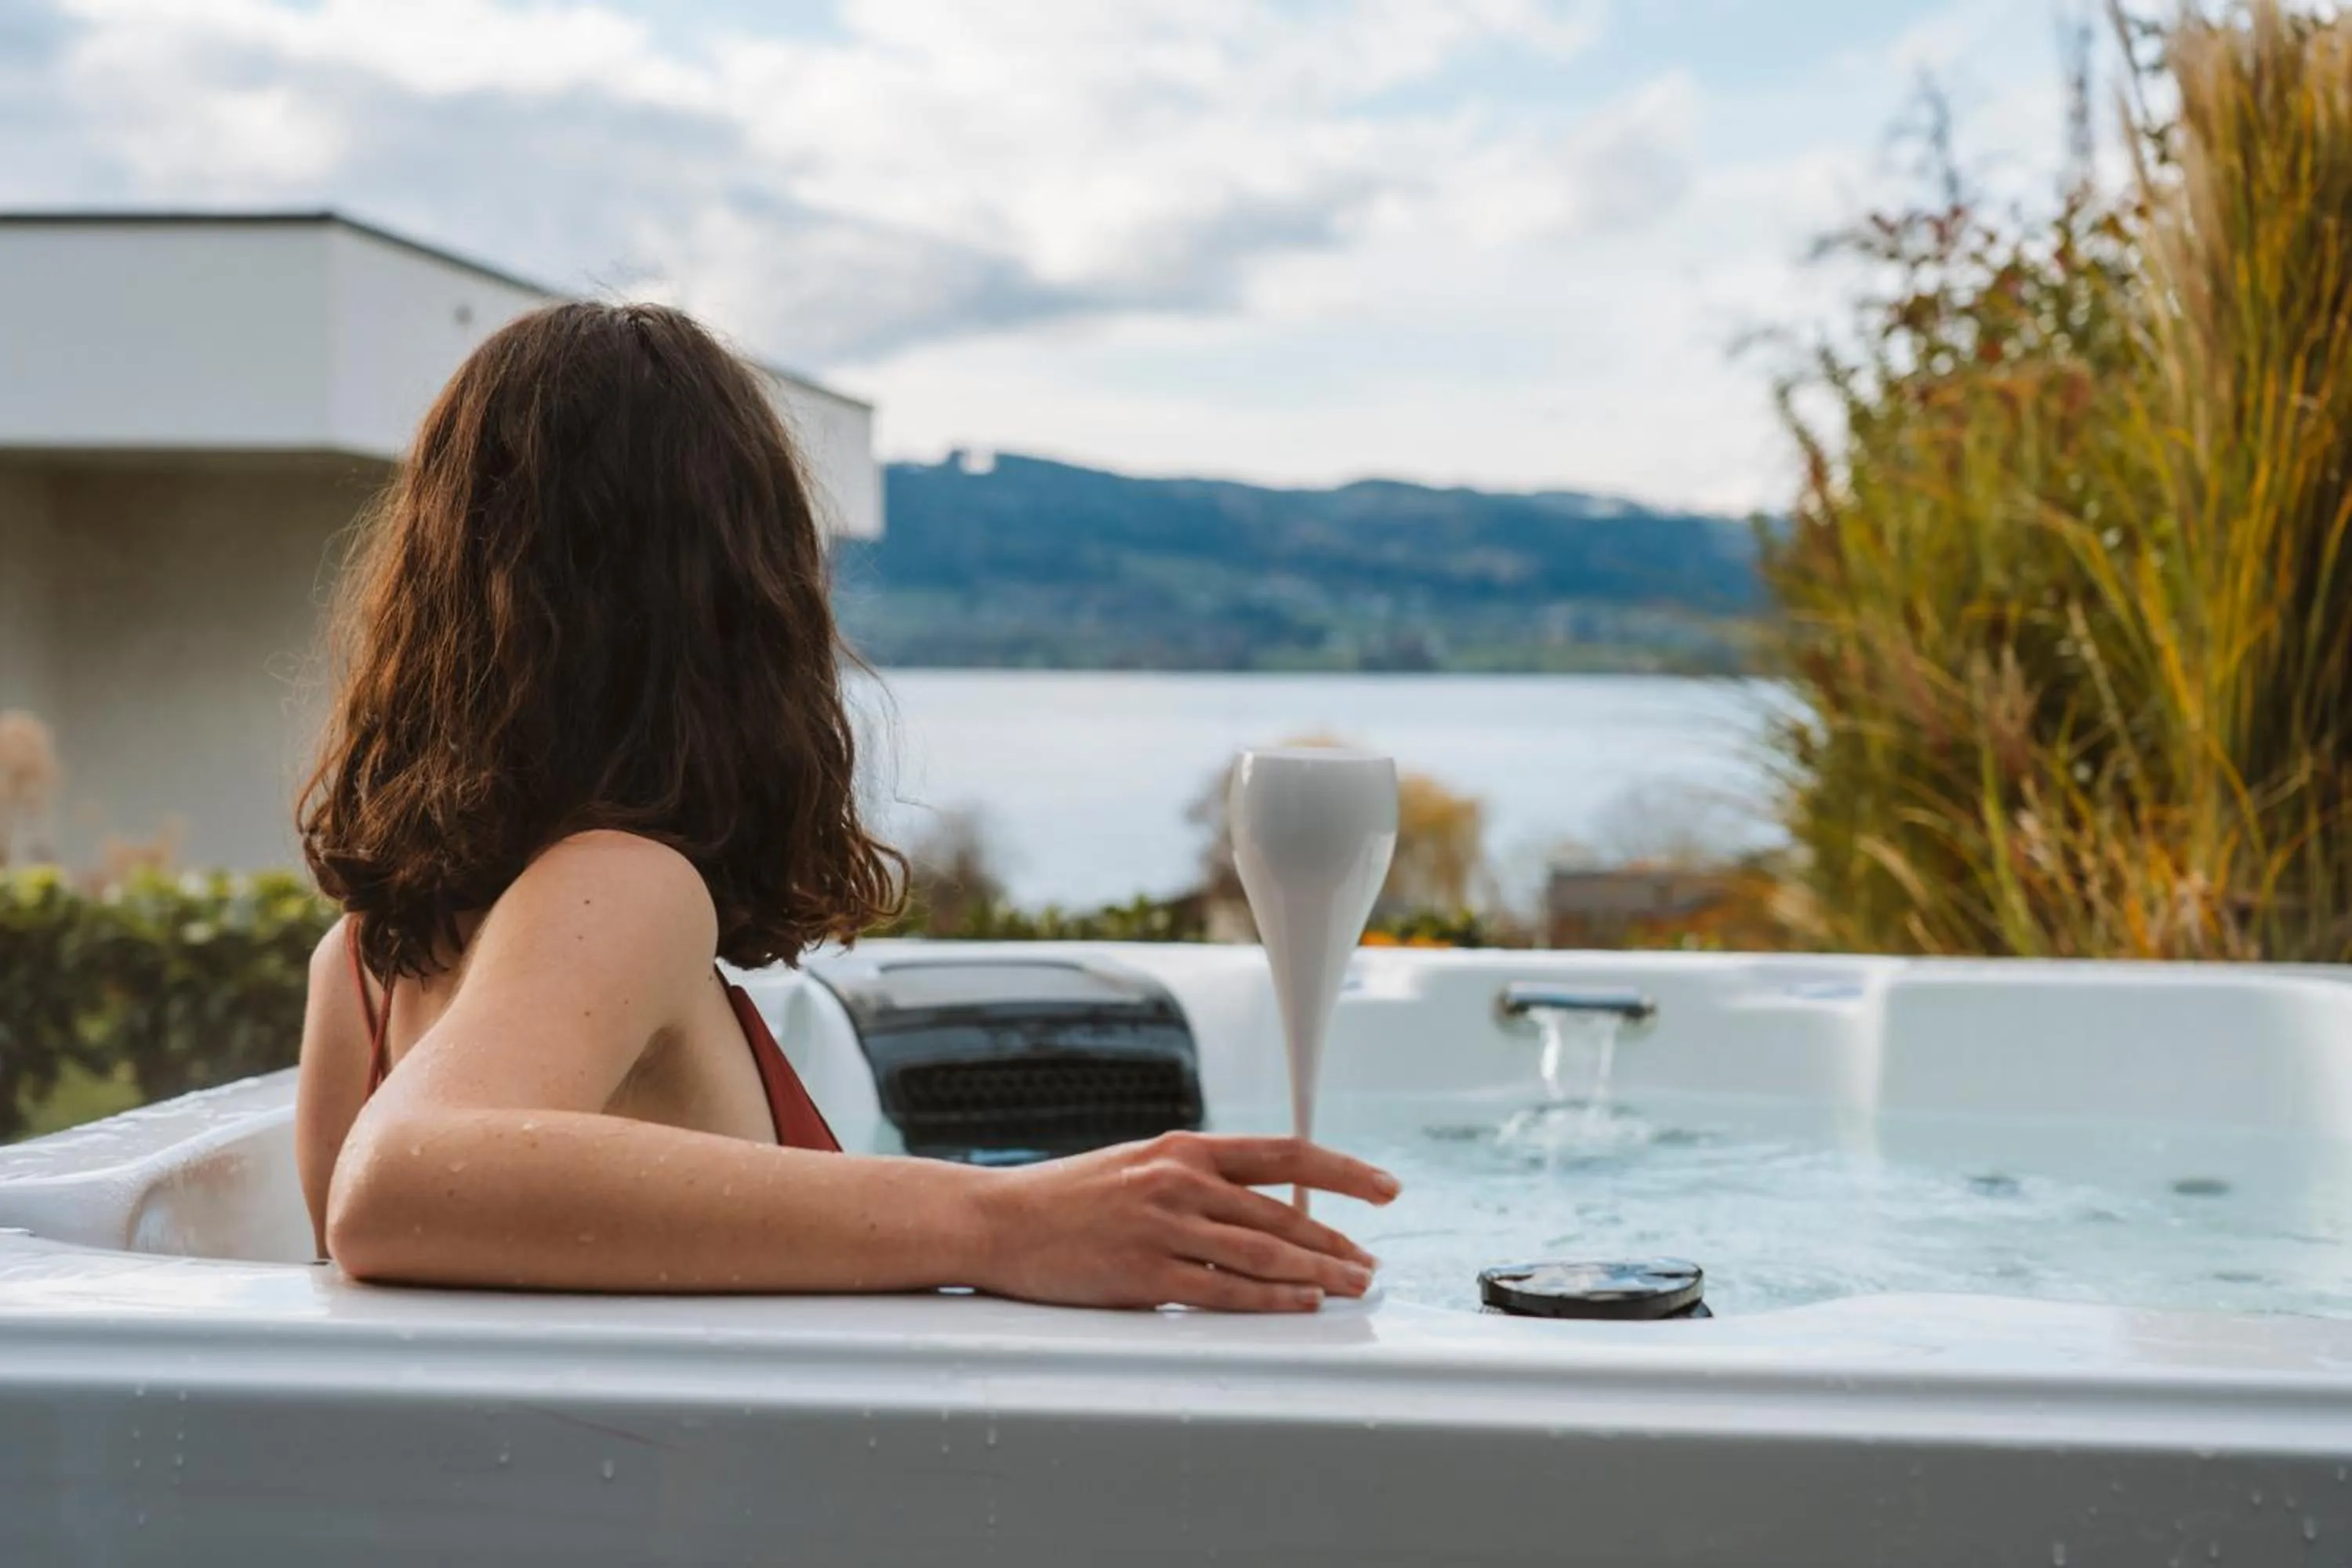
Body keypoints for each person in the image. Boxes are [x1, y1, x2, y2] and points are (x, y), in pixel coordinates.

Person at [293, 301, 1396, 1311]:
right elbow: (396, 1189)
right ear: (741, 603)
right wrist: (1005, 1222)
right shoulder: (622, 881)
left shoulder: (361, 970)